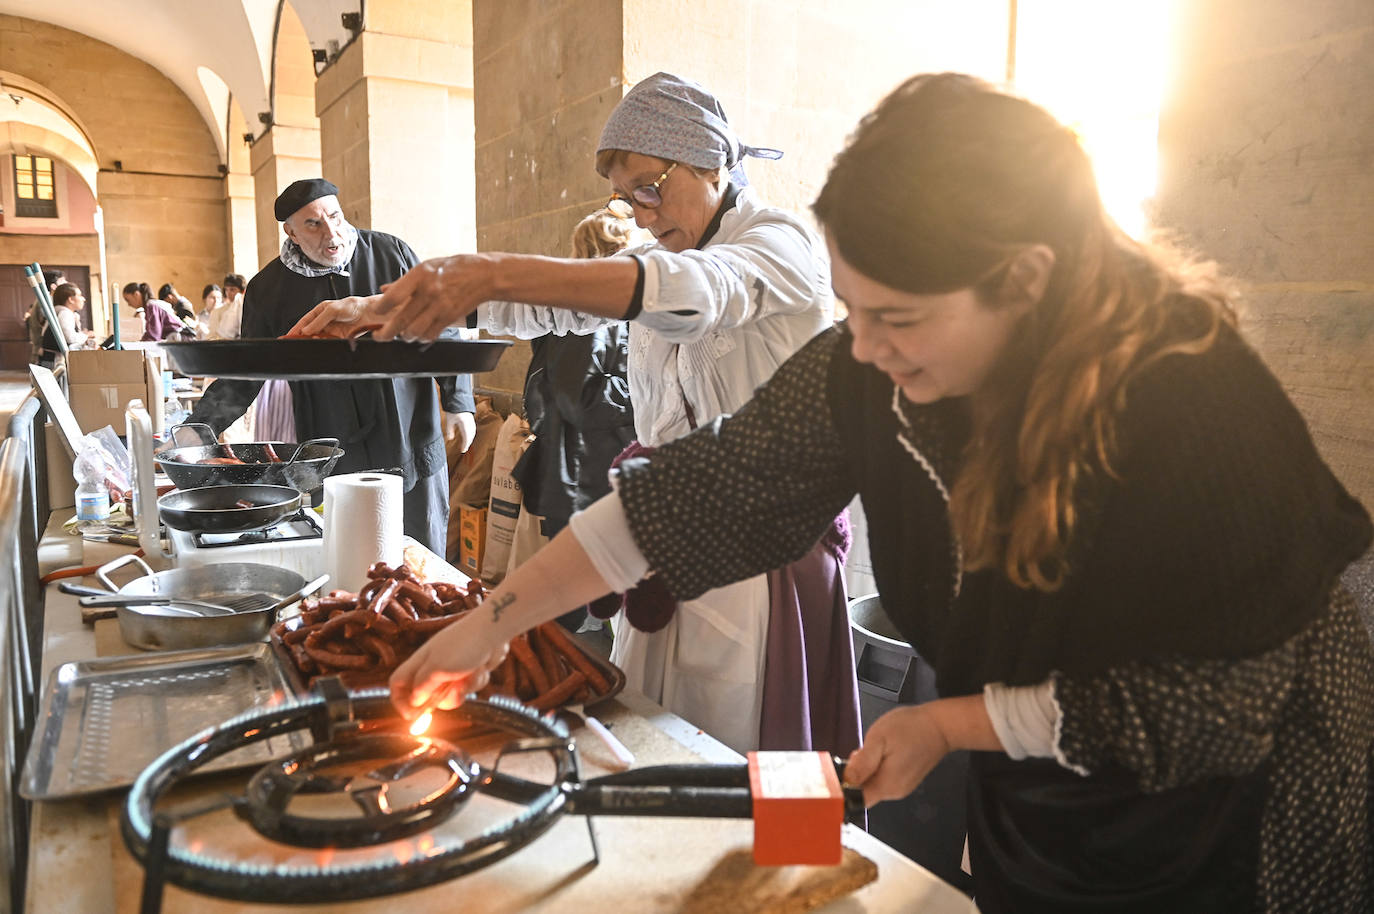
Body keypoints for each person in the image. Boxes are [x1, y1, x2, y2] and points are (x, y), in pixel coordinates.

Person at [383, 74, 1374, 911]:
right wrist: (493, 620)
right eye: (852, 309)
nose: (860, 345)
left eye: (893, 316)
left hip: (1237, 821)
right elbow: (696, 491)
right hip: (1052, 797)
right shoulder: (874, 370)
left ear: (1027, 280)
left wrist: (952, 722)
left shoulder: (1192, 405)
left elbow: (1198, 703)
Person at [294, 73, 860, 758]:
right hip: (658, 526)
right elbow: (556, 306)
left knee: (732, 754)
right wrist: (386, 306)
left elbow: (702, 291)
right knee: (655, 731)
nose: (643, 212)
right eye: (627, 198)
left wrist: (493, 270)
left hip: (754, 562)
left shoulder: (779, 244)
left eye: (651, 187)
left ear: (710, 161)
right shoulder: (665, 249)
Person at [187, 179, 475, 555]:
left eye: (335, 217)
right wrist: (199, 427)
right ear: (290, 232)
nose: (331, 233)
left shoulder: (391, 254)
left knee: (421, 552)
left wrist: (459, 401)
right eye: (313, 225)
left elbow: (441, 324)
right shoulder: (270, 288)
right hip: (333, 443)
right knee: (351, 555)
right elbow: (248, 371)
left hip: (409, 432)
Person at [512, 206, 639, 633]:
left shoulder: (596, 309)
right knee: (573, 589)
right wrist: (649, 391)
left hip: (588, 464)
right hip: (588, 470)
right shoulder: (592, 314)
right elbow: (580, 397)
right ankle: (549, 677)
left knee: (587, 583)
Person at [38, 282, 96, 369]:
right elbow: (70, 338)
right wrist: (86, 335)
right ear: (71, 299)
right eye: (79, 295)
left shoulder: (58, 312)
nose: (83, 299)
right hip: (56, 361)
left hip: (50, 358)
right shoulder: (65, 313)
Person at [123, 282, 190, 341]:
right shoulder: (151, 305)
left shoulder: (151, 306)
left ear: (136, 294)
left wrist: (138, 344)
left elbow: (154, 335)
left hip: (182, 339)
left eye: (128, 300)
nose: (129, 304)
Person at [25, 268, 64, 364]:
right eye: (63, 281)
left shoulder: (47, 300)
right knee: (47, 376)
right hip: (44, 350)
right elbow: (46, 324)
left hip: (45, 349)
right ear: (54, 286)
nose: (66, 283)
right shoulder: (46, 301)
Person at [204, 274, 244, 340]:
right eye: (226, 290)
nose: (228, 293)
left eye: (232, 290)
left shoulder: (246, 308)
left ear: (242, 291)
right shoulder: (217, 312)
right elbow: (211, 337)